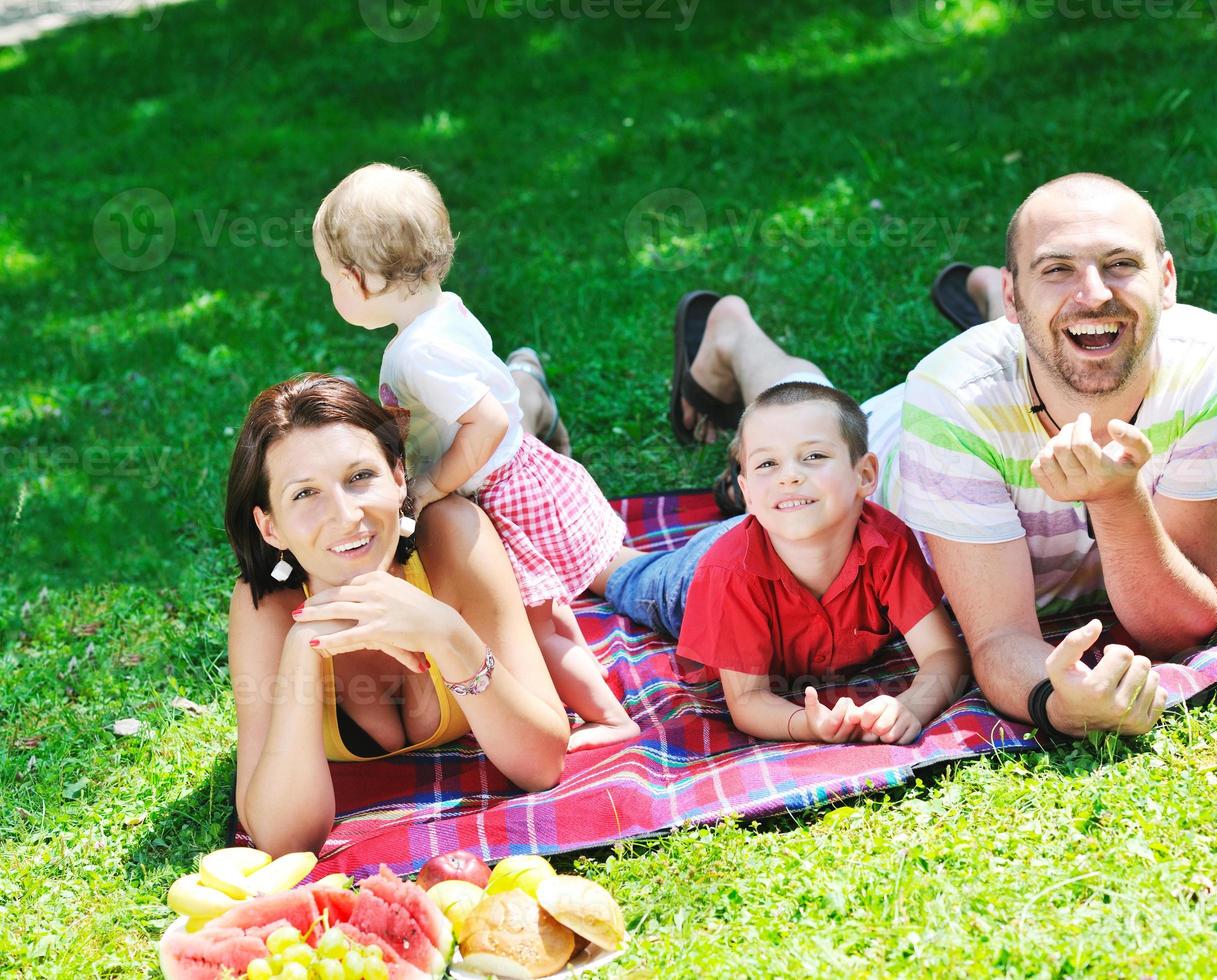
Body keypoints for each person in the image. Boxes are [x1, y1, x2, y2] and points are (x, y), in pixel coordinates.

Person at [662, 173, 1217, 741]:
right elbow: (997, 640)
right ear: (1020, 299)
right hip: (859, 474)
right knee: (803, 413)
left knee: (1063, 338)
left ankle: (993, 292)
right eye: (1058, 268)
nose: (1095, 294)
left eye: (1120, 263)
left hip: (1009, 368)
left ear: (1168, 279)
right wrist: (1061, 704)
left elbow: (1181, 625)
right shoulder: (949, 400)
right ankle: (733, 333)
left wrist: (1117, 499)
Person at [311, 163, 637, 750]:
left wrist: (435, 484)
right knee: (547, 614)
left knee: (535, 630)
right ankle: (590, 699)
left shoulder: (418, 353)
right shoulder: (445, 313)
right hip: (525, 474)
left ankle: (608, 719)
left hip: (504, 493)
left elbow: (485, 421)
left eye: (329, 279)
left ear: (357, 280)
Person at [224, 375, 572, 856]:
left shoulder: (456, 537)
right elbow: (282, 840)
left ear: (398, 475)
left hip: (501, 503)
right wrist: (303, 650)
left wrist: (447, 633)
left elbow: (542, 764)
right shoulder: (265, 608)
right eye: (305, 494)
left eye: (359, 477)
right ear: (271, 526)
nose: (346, 516)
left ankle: (527, 389)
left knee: (568, 518)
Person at [601, 382, 968, 744]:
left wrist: (911, 707)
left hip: (775, 523)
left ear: (865, 475)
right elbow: (748, 700)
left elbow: (944, 654)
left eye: (814, 457)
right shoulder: (725, 575)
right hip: (695, 575)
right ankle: (575, 541)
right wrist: (808, 725)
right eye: (767, 463)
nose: (789, 475)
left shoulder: (887, 544)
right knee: (622, 574)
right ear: (747, 492)